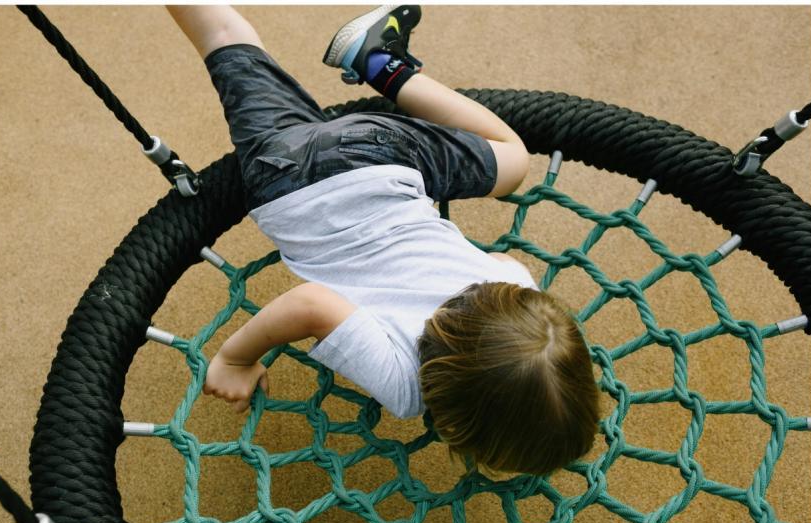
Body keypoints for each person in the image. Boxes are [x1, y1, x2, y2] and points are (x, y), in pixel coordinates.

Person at [167, 5, 600, 476]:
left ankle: (378, 62)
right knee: (227, 40)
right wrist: (235, 357)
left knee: (513, 160)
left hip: (382, 154)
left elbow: (499, 261)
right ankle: (367, 58)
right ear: (457, 422)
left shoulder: (517, 286)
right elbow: (311, 303)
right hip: (285, 179)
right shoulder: (406, 388)